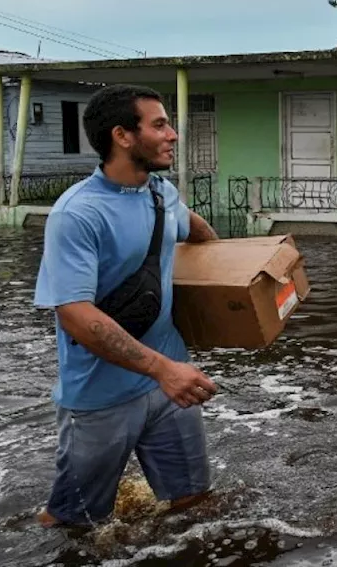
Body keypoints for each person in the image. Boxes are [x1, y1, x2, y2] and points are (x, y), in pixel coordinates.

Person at [32, 84, 221, 527]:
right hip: (101, 396)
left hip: (169, 385)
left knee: (192, 502)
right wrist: (163, 370)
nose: (172, 134)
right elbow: (75, 314)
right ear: (123, 135)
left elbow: (198, 233)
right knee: (74, 522)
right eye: (159, 124)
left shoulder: (161, 194)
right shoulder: (77, 214)